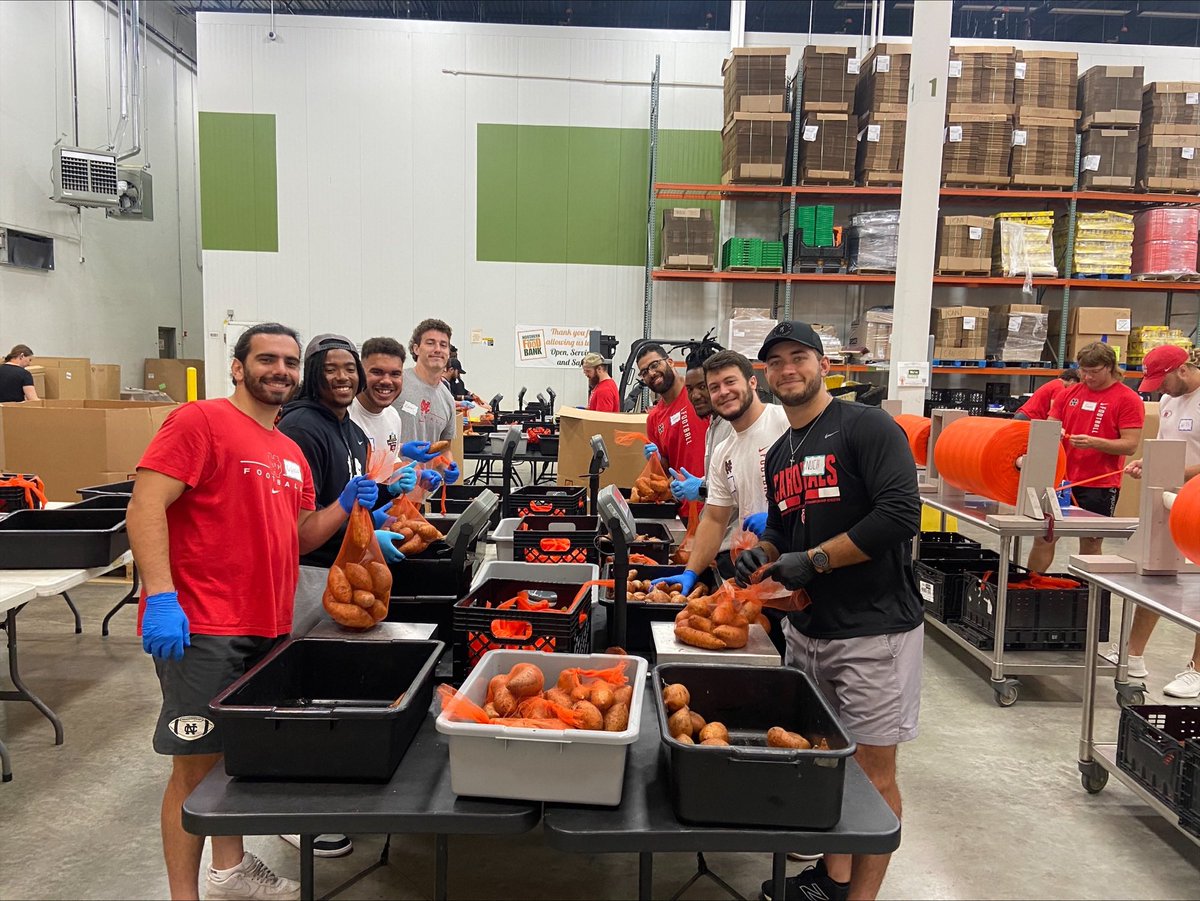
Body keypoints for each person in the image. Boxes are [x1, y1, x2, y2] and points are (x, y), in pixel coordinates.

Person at [128, 322, 379, 901]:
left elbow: (298, 535)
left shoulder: (288, 450)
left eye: (290, 362)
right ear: (238, 366)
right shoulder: (201, 422)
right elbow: (145, 505)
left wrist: (345, 505)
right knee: (194, 767)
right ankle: (183, 895)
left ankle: (231, 871)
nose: (280, 371)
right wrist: (162, 597)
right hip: (203, 625)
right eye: (266, 359)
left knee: (235, 762)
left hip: (268, 624)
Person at [732, 321, 923, 901]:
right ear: (764, 374)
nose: (788, 369)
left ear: (821, 364)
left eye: (799, 357)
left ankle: (858, 897)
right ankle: (833, 879)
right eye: (775, 361)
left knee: (873, 774)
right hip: (809, 631)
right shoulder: (782, 451)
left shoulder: (865, 426)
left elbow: (898, 516)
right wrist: (760, 556)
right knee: (826, 761)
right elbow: (787, 529)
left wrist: (812, 561)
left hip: (873, 630)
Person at [1103, 345, 1200, 698]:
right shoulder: (1169, 403)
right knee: (1154, 575)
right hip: (1168, 503)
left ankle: (1197, 670)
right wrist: (1146, 463)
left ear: (1184, 371)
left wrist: (1170, 472)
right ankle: (1133, 655)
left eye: (1163, 380)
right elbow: (1163, 446)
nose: (1159, 389)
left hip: (1196, 505)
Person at [651, 350, 787, 589]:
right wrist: (691, 571)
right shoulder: (723, 450)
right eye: (714, 387)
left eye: (730, 382)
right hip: (751, 574)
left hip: (794, 573)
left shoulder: (784, 423)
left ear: (752, 382)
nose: (722, 392)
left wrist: (783, 524)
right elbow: (714, 519)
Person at [1025, 342, 1144, 575]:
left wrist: (1094, 442)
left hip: (1099, 484)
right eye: (1083, 371)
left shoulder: (1127, 399)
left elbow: (1130, 445)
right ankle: (1028, 585)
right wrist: (1053, 433)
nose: (1087, 377)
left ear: (1110, 367)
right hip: (1061, 480)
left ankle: (1089, 594)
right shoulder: (1069, 394)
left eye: (1094, 371)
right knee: (1044, 537)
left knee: (1090, 542)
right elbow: (1050, 426)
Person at [348, 336, 427, 494]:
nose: (386, 381)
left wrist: (413, 476)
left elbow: (388, 465)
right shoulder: (346, 416)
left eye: (395, 374)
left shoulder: (393, 418)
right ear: (360, 373)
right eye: (377, 372)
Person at [395, 319, 462, 489]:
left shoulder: (447, 399)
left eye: (443, 345)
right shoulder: (396, 383)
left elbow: (444, 446)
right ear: (416, 348)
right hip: (385, 492)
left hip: (419, 494)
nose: (437, 349)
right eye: (430, 343)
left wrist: (447, 467)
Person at [636, 343, 708, 487]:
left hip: (715, 499)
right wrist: (656, 459)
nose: (651, 373)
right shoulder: (654, 419)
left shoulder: (699, 395)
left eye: (654, 365)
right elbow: (664, 471)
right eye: (644, 372)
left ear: (669, 361)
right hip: (684, 503)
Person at [1013, 368, 1080, 421]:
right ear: (1072, 381)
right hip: (1028, 418)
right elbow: (1054, 410)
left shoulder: (1055, 383)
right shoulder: (1059, 388)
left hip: (1025, 416)